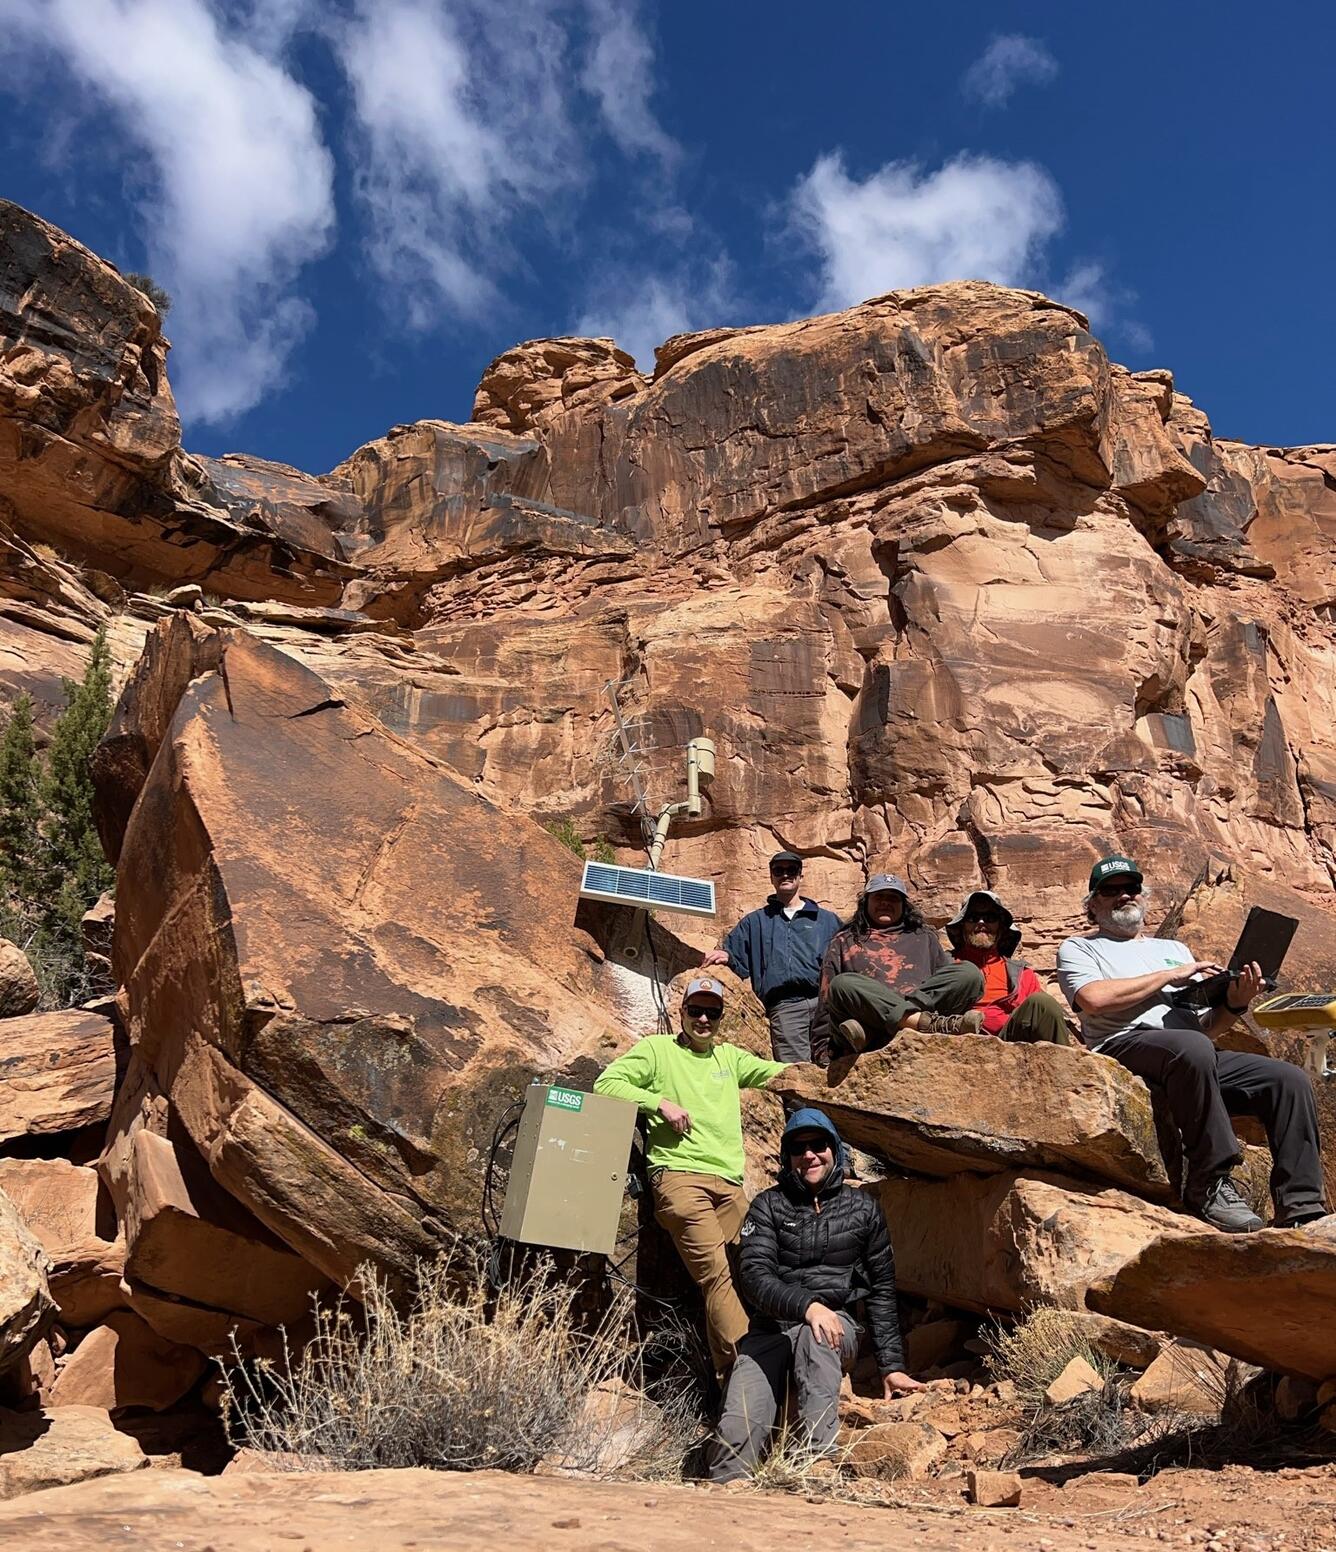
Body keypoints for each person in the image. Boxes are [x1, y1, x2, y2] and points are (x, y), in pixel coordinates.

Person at [1056, 854, 1330, 1234]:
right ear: (1093, 904)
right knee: (1191, 1048)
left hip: (1189, 1052)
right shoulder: (1079, 949)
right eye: (1110, 891)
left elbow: (1208, 1030)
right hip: (1123, 1046)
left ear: (1142, 896)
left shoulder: (1172, 948)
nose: (1123, 896)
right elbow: (1094, 1000)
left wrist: (1236, 999)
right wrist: (1172, 974)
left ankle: (1301, 1205)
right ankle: (1209, 1182)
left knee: (1287, 1079)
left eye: (1130, 888)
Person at [708, 1107, 921, 1481]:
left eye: (818, 1145)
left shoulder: (864, 1208)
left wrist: (892, 1367)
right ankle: (726, 1493)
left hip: (834, 1328)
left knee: (817, 1335)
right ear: (787, 1157)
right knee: (738, 1424)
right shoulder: (768, 1206)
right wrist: (807, 1306)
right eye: (798, 1148)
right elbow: (754, 1276)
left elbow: (881, 1288)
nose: (809, 1155)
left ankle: (818, 1464)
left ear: (834, 1149)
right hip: (770, 1330)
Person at [593, 976, 789, 1376]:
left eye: (712, 1013)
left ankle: (728, 1373)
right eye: (695, 1010)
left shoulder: (729, 1058)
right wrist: (657, 1102)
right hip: (680, 1178)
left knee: (750, 1268)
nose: (703, 1019)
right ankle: (748, 1371)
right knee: (716, 1273)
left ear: (720, 1018)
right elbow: (606, 1084)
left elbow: (779, 1074)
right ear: (680, 1012)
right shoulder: (657, 1050)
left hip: (729, 1183)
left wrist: (830, 1071)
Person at [814, 874, 986, 1060]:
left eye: (893, 898)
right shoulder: (844, 940)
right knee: (843, 984)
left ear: (904, 905)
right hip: (857, 1028)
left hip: (866, 1033)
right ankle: (922, 1023)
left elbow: (941, 987)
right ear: (866, 902)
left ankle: (899, 1025)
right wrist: (822, 1051)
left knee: (969, 973)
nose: (886, 903)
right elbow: (826, 1000)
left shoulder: (924, 936)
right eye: (879, 897)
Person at [701, 850, 840, 1062]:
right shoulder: (755, 922)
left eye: (791, 870)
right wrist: (725, 955)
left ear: (800, 875)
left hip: (825, 1004)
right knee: (796, 1075)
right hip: (785, 1008)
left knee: (834, 1066)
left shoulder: (827, 920)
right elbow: (735, 956)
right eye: (779, 870)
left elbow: (847, 956)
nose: (785, 875)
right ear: (771, 877)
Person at [946, 889, 1074, 1044]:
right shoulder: (945, 964)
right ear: (962, 926)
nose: (981, 923)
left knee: (1043, 1002)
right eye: (973, 918)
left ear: (1001, 927)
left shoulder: (1022, 974)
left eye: (990, 918)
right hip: (959, 1040)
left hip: (1012, 1042)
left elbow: (1044, 1015)